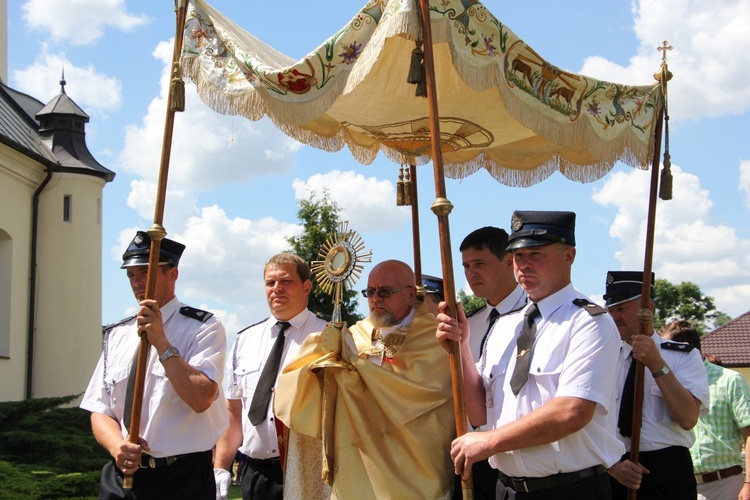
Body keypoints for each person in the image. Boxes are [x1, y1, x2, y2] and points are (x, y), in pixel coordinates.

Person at [437, 210, 625, 499]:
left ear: (568, 256)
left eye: (536, 254)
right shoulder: (504, 326)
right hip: (509, 489)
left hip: (570, 490)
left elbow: (572, 412)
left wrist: (489, 442)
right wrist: (460, 346)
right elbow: (479, 412)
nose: (523, 264)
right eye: (518, 255)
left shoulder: (589, 321)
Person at [275, 259, 456, 499]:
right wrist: (321, 356)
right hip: (357, 469)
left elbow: (416, 394)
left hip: (414, 472)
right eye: (370, 292)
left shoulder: (435, 339)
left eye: (385, 292)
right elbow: (305, 388)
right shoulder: (355, 335)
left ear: (411, 294)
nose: (376, 299)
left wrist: (352, 363)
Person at [80, 231, 228, 500]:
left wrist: (160, 341)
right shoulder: (118, 334)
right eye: (131, 275)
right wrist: (117, 446)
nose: (136, 282)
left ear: (172, 275)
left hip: (181, 478)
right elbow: (99, 408)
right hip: (123, 476)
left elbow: (201, 398)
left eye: (144, 273)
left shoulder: (203, 329)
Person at [213, 253, 328, 500]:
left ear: (306, 286)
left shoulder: (328, 336)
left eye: (286, 281)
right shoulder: (245, 340)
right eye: (270, 283)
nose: (277, 289)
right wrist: (220, 466)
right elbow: (233, 412)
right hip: (256, 474)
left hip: (308, 473)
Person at [604, 271, 709, 499]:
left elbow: (688, 418)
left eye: (621, 309)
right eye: (611, 310)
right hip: (615, 468)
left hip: (668, 471)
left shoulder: (684, 356)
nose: (614, 316)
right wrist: (613, 465)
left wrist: (656, 364)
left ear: (648, 309)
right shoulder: (604, 357)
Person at [459, 226, 526, 499]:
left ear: (509, 262)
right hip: (476, 457)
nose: (471, 273)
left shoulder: (534, 317)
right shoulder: (470, 324)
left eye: (480, 264)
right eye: (466, 266)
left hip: (521, 456)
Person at [660, 320, 750, 500]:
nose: (660, 353)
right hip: (682, 484)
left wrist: (748, 483)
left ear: (683, 348)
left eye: (664, 347)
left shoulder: (730, 380)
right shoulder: (665, 383)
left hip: (726, 484)